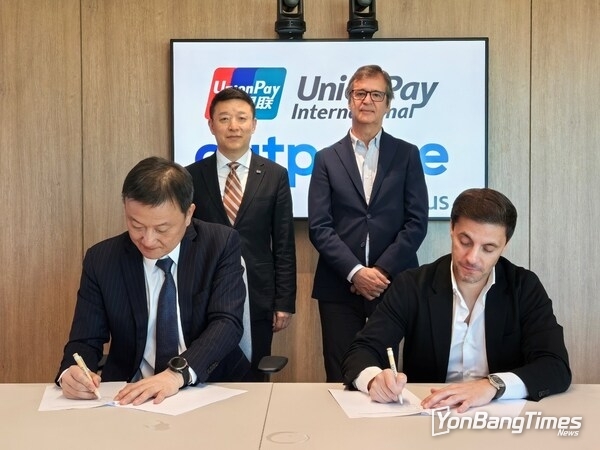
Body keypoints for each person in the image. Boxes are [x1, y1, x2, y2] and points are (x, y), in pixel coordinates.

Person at [342, 188, 572, 412]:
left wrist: (492, 386)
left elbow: (555, 365)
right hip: (429, 415)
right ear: (452, 229)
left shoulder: (524, 287)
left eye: (488, 248)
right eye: (465, 241)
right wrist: (373, 380)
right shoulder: (412, 285)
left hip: (499, 417)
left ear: (505, 245)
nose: (472, 258)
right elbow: (362, 350)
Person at [56, 156, 249, 405]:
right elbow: (85, 339)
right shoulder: (102, 259)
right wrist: (71, 373)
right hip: (131, 393)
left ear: (189, 214)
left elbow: (227, 323)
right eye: (136, 225)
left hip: (210, 387)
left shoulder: (219, 245)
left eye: (161, 229)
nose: (147, 240)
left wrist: (176, 374)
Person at [308, 65, 429, 382]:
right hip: (339, 284)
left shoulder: (407, 154)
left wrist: (381, 272)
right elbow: (319, 226)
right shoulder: (326, 158)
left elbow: (416, 222)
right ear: (349, 100)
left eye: (377, 94)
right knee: (339, 373)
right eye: (360, 93)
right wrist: (356, 272)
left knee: (386, 370)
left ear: (388, 104)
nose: (367, 100)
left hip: (391, 284)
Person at [187, 87, 296, 381]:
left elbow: (284, 243)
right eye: (224, 118)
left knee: (255, 371)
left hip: (258, 294)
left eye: (241, 118)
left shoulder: (275, 175)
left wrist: (284, 302)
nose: (233, 126)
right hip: (206, 291)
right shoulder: (191, 175)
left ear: (254, 124)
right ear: (211, 125)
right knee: (206, 369)